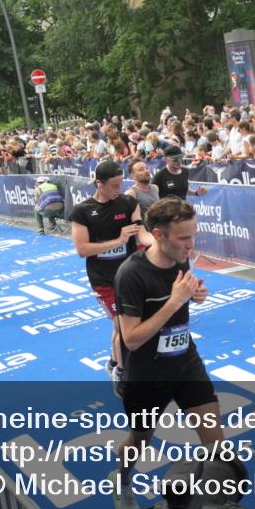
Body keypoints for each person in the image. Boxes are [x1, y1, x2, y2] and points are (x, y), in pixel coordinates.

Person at [109, 197, 216, 509]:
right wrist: (175, 301)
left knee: (217, 448)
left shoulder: (181, 260)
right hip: (146, 374)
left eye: (193, 235)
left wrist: (194, 295)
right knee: (140, 440)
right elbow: (132, 339)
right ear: (159, 234)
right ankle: (123, 479)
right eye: (184, 238)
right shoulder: (131, 274)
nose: (191, 244)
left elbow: (182, 297)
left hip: (185, 362)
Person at [71, 160, 155, 379]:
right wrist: (118, 240)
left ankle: (113, 362)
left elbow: (142, 233)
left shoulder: (128, 202)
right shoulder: (83, 211)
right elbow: (83, 249)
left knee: (124, 325)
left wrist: (159, 243)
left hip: (129, 275)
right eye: (113, 186)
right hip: (103, 279)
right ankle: (121, 371)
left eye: (120, 184)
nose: (118, 190)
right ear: (99, 184)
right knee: (121, 325)